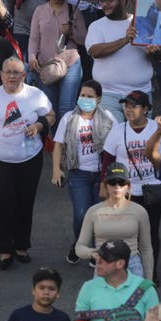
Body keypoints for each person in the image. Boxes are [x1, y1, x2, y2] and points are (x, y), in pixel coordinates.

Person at [0, 57, 54, 270]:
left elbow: (51, 116)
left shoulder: (35, 95)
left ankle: (21, 247)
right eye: (8, 72)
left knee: (24, 203)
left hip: (30, 158)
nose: (12, 76)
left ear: (24, 75)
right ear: (1, 74)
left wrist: (39, 125)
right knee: (2, 204)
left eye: (16, 72)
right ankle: (5, 251)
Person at [103, 90, 161, 284]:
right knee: (127, 233)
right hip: (126, 192)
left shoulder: (156, 128)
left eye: (133, 106)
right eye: (126, 105)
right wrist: (104, 186)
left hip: (153, 189)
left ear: (145, 109)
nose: (128, 109)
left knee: (151, 233)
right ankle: (129, 273)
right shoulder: (118, 130)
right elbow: (107, 160)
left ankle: (151, 274)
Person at [52, 79, 117, 264]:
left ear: (99, 99)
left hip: (100, 175)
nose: (85, 99)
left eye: (90, 96)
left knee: (99, 215)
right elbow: (58, 145)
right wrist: (56, 170)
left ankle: (96, 252)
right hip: (78, 172)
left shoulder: (108, 118)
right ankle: (79, 244)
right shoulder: (69, 118)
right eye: (82, 95)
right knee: (81, 214)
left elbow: (115, 146)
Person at [76, 163, 154, 279]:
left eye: (121, 183)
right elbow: (79, 247)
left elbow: (146, 249)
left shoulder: (139, 211)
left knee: (134, 298)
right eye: (112, 183)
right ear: (106, 185)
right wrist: (94, 253)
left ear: (128, 186)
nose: (117, 187)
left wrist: (148, 280)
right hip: (103, 264)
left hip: (132, 265)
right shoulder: (93, 212)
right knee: (102, 298)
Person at [28, 0, 86, 122]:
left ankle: (65, 142)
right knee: (49, 108)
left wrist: (72, 32)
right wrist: (32, 57)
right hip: (46, 65)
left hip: (70, 63)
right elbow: (34, 38)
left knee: (66, 107)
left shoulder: (74, 10)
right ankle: (52, 142)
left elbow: (85, 40)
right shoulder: (39, 11)